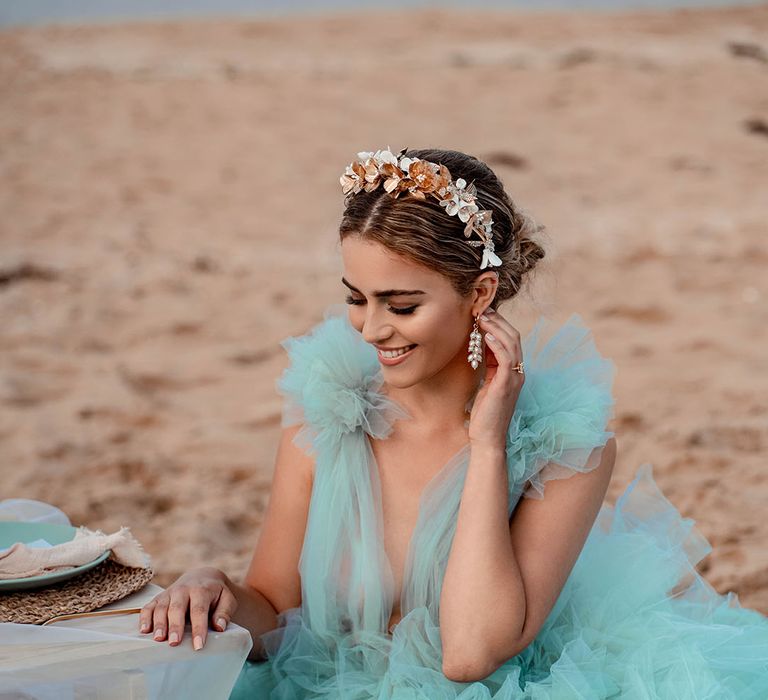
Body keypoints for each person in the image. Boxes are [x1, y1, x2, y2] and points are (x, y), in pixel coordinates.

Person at [139, 147, 768, 698]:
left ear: (481, 294)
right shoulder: (330, 412)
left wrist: (487, 447)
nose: (373, 329)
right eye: (357, 298)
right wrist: (213, 584)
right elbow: (275, 610)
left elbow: (469, 654)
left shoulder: (563, 445)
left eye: (403, 305)